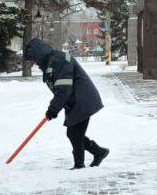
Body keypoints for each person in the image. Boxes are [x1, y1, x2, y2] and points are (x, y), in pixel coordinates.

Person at [24, 38, 109, 170]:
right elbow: (61, 88)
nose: (34, 63)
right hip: (75, 101)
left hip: (82, 100)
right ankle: (98, 152)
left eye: (33, 60)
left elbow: (63, 89)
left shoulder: (59, 60)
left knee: (75, 134)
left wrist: (53, 109)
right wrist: (55, 108)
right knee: (74, 134)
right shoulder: (51, 62)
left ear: (38, 54)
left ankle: (80, 165)